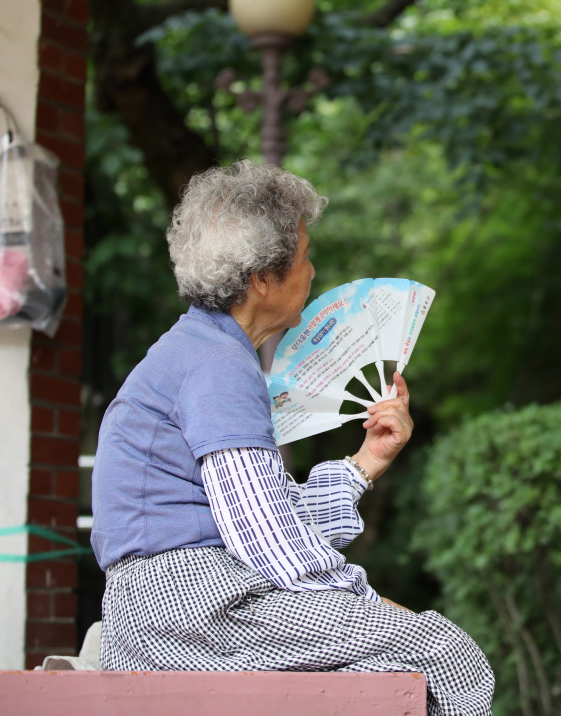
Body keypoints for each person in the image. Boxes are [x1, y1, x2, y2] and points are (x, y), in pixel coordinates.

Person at [91, 160, 493, 716]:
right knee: (446, 654)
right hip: (196, 614)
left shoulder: (193, 351)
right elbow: (266, 539)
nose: (312, 270)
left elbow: (252, 520)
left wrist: (365, 461)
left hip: (163, 612)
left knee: (380, 671)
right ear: (262, 278)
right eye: (304, 257)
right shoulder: (217, 366)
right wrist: (370, 603)